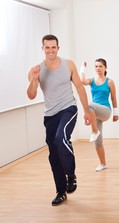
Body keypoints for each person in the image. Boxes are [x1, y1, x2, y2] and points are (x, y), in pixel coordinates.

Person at [27, 34, 91, 206]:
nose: (50, 51)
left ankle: (71, 174)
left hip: (68, 108)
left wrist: (86, 111)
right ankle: (61, 191)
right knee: (53, 154)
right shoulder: (36, 70)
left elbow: (79, 87)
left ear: (58, 48)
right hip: (50, 115)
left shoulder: (68, 64)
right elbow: (31, 95)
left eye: (53, 47)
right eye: (47, 47)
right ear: (43, 49)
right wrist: (33, 80)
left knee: (61, 138)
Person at [80, 59, 118, 172]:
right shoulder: (92, 80)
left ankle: (94, 131)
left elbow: (114, 98)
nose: (98, 68)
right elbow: (82, 81)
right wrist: (83, 67)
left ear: (105, 68)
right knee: (98, 141)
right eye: (96, 66)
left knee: (88, 105)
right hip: (94, 113)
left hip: (105, 111)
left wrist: (116, 113)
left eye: (100, 66)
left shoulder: (109, 82)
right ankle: (103, 163)